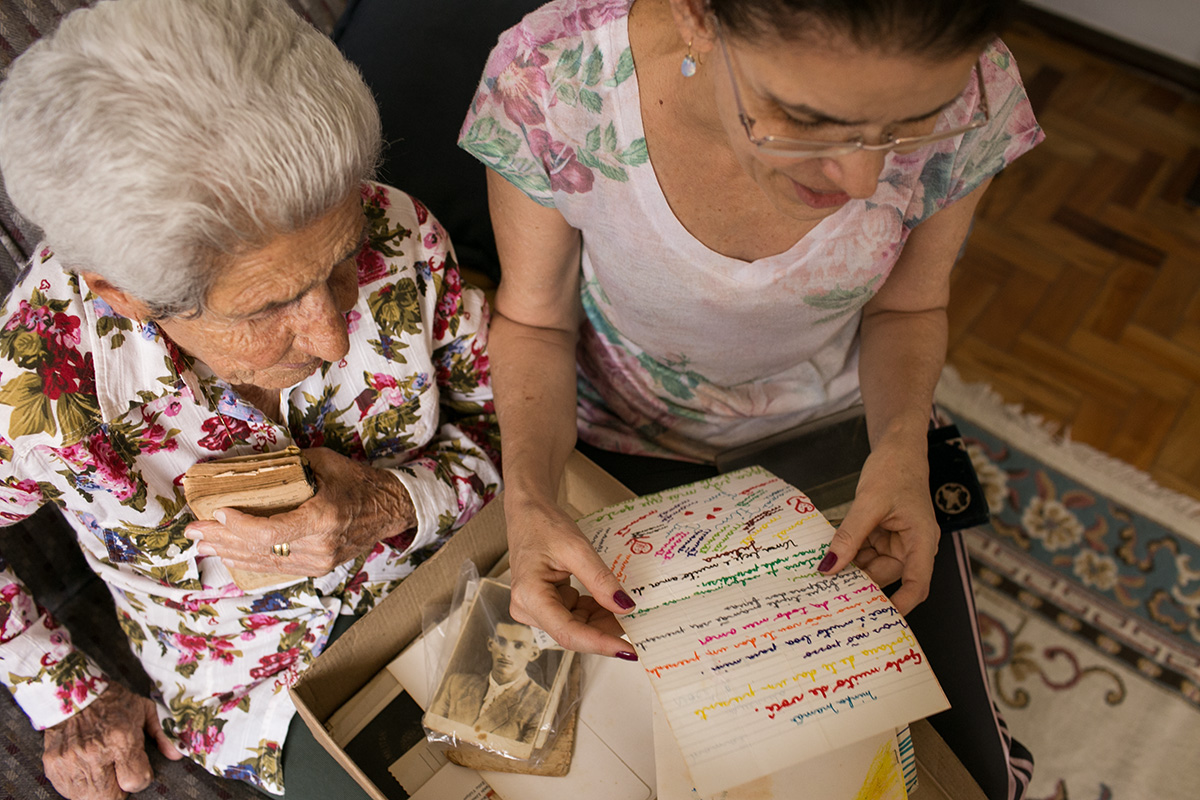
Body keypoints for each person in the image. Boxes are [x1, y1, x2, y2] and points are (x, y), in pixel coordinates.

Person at [459, 0, 1041, 797]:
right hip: (608, 433)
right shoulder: (554, 80)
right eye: (808, 120)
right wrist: (527, 494)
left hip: (842, 427)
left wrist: (901, 444)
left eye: (913, 123)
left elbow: (906, 307)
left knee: (964, 775)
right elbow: (533, 320)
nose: (867, 179)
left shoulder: (978, 82)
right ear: (698, 15)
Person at [0, 1, 500, 798]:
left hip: (466, 580)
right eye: (267, 308)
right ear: (124, 295)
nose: (336, 336)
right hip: (263, 698)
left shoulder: (398, 229)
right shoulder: (37, 381)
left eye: (342, 262)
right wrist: (62, 693)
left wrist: (391, 500)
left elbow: (503, 429)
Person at [430, 616, 550, 743]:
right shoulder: (456, 684)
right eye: (501, 641)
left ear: (533, 654)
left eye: (518, 645)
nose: (506, 652)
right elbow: (434, 728)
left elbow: (523, 756)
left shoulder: (541, 703)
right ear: (490, 644)